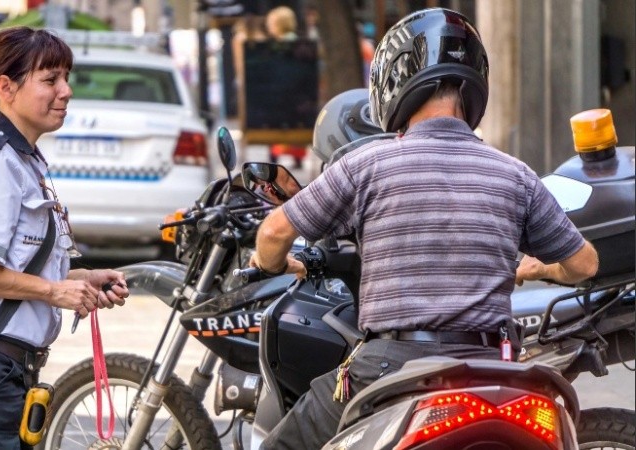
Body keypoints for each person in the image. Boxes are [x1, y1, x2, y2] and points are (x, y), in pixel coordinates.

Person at [249, 8, 600, 449]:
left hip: (390, 366)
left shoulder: (366, 165)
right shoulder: (515, 174)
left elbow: (274, 233)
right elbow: (584, 264)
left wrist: (270, 264)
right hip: (491, 368)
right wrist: (538, 268)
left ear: (393, 83)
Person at [0, 26, 130, 446]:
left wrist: (80, 280)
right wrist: (54, 292)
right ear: (6, 88)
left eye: (66, 78)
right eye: (50, 79)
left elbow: (14, 267)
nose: (66, 91)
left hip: (7, 371)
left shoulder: (23, 160)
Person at [264, 5, 307, 168]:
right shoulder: (300, 43)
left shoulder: (278, 45)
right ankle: (297, 158)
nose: (268, 27)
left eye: (270, 23)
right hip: (299, 98)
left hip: (283, 97)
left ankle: (273, 159)